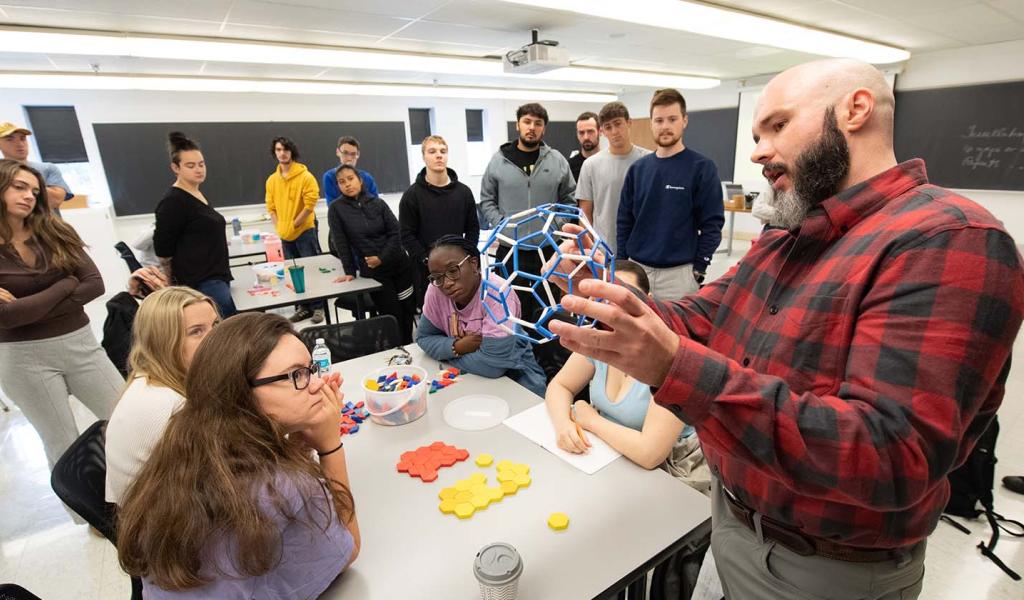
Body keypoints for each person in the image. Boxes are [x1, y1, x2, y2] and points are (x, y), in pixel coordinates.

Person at [547, 59, 1024, 600]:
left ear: (855, 109)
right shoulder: (791, 232)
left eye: (776, 126)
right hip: (730, 519)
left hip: (822, 567)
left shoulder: (948, 240)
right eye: (755, 135)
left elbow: (891, 456)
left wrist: (674, 367)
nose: (756, 152)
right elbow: (703, 317)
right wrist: (607, 297)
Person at [117, 313, 359, 598]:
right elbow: (347, 550)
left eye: (310, 369)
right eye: (297, 375)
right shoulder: (285, 486)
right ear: (242, 392)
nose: (316, 384)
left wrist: (299, 441)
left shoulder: (183, 441)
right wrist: (330, 445)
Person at [0, 159, 121, 473]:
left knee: (126, 419)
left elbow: (94, 284)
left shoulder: (55, 231)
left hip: (80, 344)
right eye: (19, 187)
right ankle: (91, 519)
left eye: (34, 190)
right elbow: (8, 318)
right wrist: (67, 284)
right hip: (23, 358)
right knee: (63, 444)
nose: (29, 195)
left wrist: (29, 308)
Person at [544, 260, 707, 492]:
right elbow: (560, 385)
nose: (614, 311)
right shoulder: (598, 338)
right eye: (605, 300)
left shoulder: (670, 354)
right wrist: (563, 426)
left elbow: (650, 453)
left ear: (649, 300)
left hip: (669, 474)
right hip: (607, 457)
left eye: (625, 298)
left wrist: (591, 420)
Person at [105, 286, 220, 504]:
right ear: (164, 341)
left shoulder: (150, 378)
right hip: (169, 524)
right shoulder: (169, 406)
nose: (215, 338)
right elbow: (222, 481)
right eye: (196, 331)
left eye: (214, 325)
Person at [617, 88, 724, 300]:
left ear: (684, 121)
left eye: (672, 119)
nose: (665, 126)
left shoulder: (702, 168)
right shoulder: (638, 170)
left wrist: (699, 268)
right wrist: (622, 264)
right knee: (632, 331)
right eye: (659, 120)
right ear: (651, 123)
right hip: (637, 271)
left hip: (679, 277)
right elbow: (624, 220)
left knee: (674, 332)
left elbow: (712, 224)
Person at [479, 102, 576, 331]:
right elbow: (486, 200)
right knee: (511, 311)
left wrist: (554, 228)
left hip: (547, 252)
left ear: (544, 129)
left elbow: (569, 202)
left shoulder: (557, 161)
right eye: (527, 122)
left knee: (547, 311)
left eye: (538, 123)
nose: (532, 127)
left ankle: (545, 361)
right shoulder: (499, 160)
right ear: (518, 125)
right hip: (510, 252)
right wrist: (503, 226)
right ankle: (515, 359)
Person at [415, 235, 546, 397]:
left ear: (473, 264)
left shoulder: (497, 293)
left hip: (516, 382)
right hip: (468, 383)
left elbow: (493, 368)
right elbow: (423, 338)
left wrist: (445, 354)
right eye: (437, 277)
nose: (446, 283)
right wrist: (458, 346)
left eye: (453, 270)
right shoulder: (436, 290)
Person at [328, 164, 416, 344]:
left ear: (360, 180)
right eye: (341, 182)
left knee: (407, 309)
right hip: (376, 273)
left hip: (400, 266)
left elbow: (395, 232)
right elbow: (341, 242)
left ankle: (409, 345)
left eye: (350, 179)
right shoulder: (337, 209)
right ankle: (396, 349)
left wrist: (381, 258)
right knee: (392, 314)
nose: (347, 184)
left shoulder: (378, 203)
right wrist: (350, 272)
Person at [153, 132, 236, 318]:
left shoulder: (198, 194)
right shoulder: (173, 201)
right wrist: (171, 284)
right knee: (226, 333)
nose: (198, 169)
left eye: (201, 164)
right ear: (175, 167)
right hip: (201, 282)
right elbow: (163, 248)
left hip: (216, 276)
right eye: (190, 166)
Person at [399, 135, 480, 310]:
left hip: (459, 269)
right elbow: (406, 235)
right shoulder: (412, 196)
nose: (438, 155)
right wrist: (427, 260)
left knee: (464, 314)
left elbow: (473, 229)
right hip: (427, 271)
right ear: (423, 157)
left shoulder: (463, 192)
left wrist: (466, 257)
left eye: (443, 151)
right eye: (432, 151)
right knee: (435, 318)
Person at [576, 102, 651, 253]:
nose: (615, 131)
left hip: (644, 249)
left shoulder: (649, 161)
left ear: (629, 123)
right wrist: (588, 252)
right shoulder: (591, 165)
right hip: (605, 251)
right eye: (608, 127)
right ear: (602, 131)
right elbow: (585, 215)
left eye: (618, 124)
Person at [266, 136, 323, 324]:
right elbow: (271, 206)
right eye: (278, 150)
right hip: (285, 235)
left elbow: (310, 204)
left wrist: (294, 225)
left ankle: (318, 307)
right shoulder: (272, 180)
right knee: (294, 272)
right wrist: (280, 227)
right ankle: (303, 307)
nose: (282, 153)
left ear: (292, 152)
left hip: (304, 232)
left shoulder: (305, 177)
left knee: (310, 270)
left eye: (285, 150)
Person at [102, 266, 170, 376]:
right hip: (146, 369)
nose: (133, 292)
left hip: (127, 369)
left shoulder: (119, 307)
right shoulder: (154, 316)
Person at [0, 121, 73, 214]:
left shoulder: (47, 168)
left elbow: (56, 200)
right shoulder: (1, 172)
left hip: (46, 226)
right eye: (10, 139)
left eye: (22, 139)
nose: (19, 144)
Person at [322, 135, 379, 206]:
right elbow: (333, 207)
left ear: (358, 154)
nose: (349, 158)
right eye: (345, 153)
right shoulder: (329, 177)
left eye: (353, 154)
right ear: (337, 152)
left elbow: (376, 204)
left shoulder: (367, 178)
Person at [568, 111, 600, 183]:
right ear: (577, 134)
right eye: (581, 132)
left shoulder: (609, 163)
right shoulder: (569, 167)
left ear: (600, 131)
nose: (586, 137)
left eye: (590, 131)